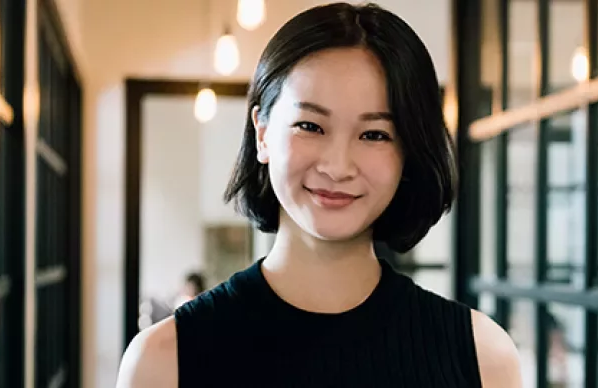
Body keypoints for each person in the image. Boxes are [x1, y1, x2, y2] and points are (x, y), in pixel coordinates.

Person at [115, 3, 522, 387]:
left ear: (408, 153)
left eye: (374, 134)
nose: (337, 166)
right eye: (310, 126)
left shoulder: (482, 357)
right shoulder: (164, 361)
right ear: (262, 132)